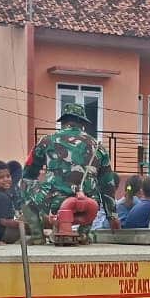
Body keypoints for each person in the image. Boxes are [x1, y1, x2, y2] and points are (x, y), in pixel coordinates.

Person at [22, 103, 119, 241]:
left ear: (63, 121)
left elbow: (28, 172)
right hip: (88, 205)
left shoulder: (47, 141)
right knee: (94, 189)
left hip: (55, 202)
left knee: (24, 183)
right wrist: (112, 216)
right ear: (83, 124)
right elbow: (108, 185)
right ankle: (83, 233)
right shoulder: (99, 147)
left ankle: (37, 236)